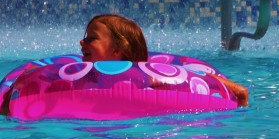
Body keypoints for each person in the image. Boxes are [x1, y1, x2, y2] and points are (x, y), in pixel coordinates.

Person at [81, 13, 248, 106]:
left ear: (117, 50)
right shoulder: (81, 79)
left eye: (91, 39)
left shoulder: (147, 80)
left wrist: (238, 94)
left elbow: (193, 76)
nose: (82, 42)